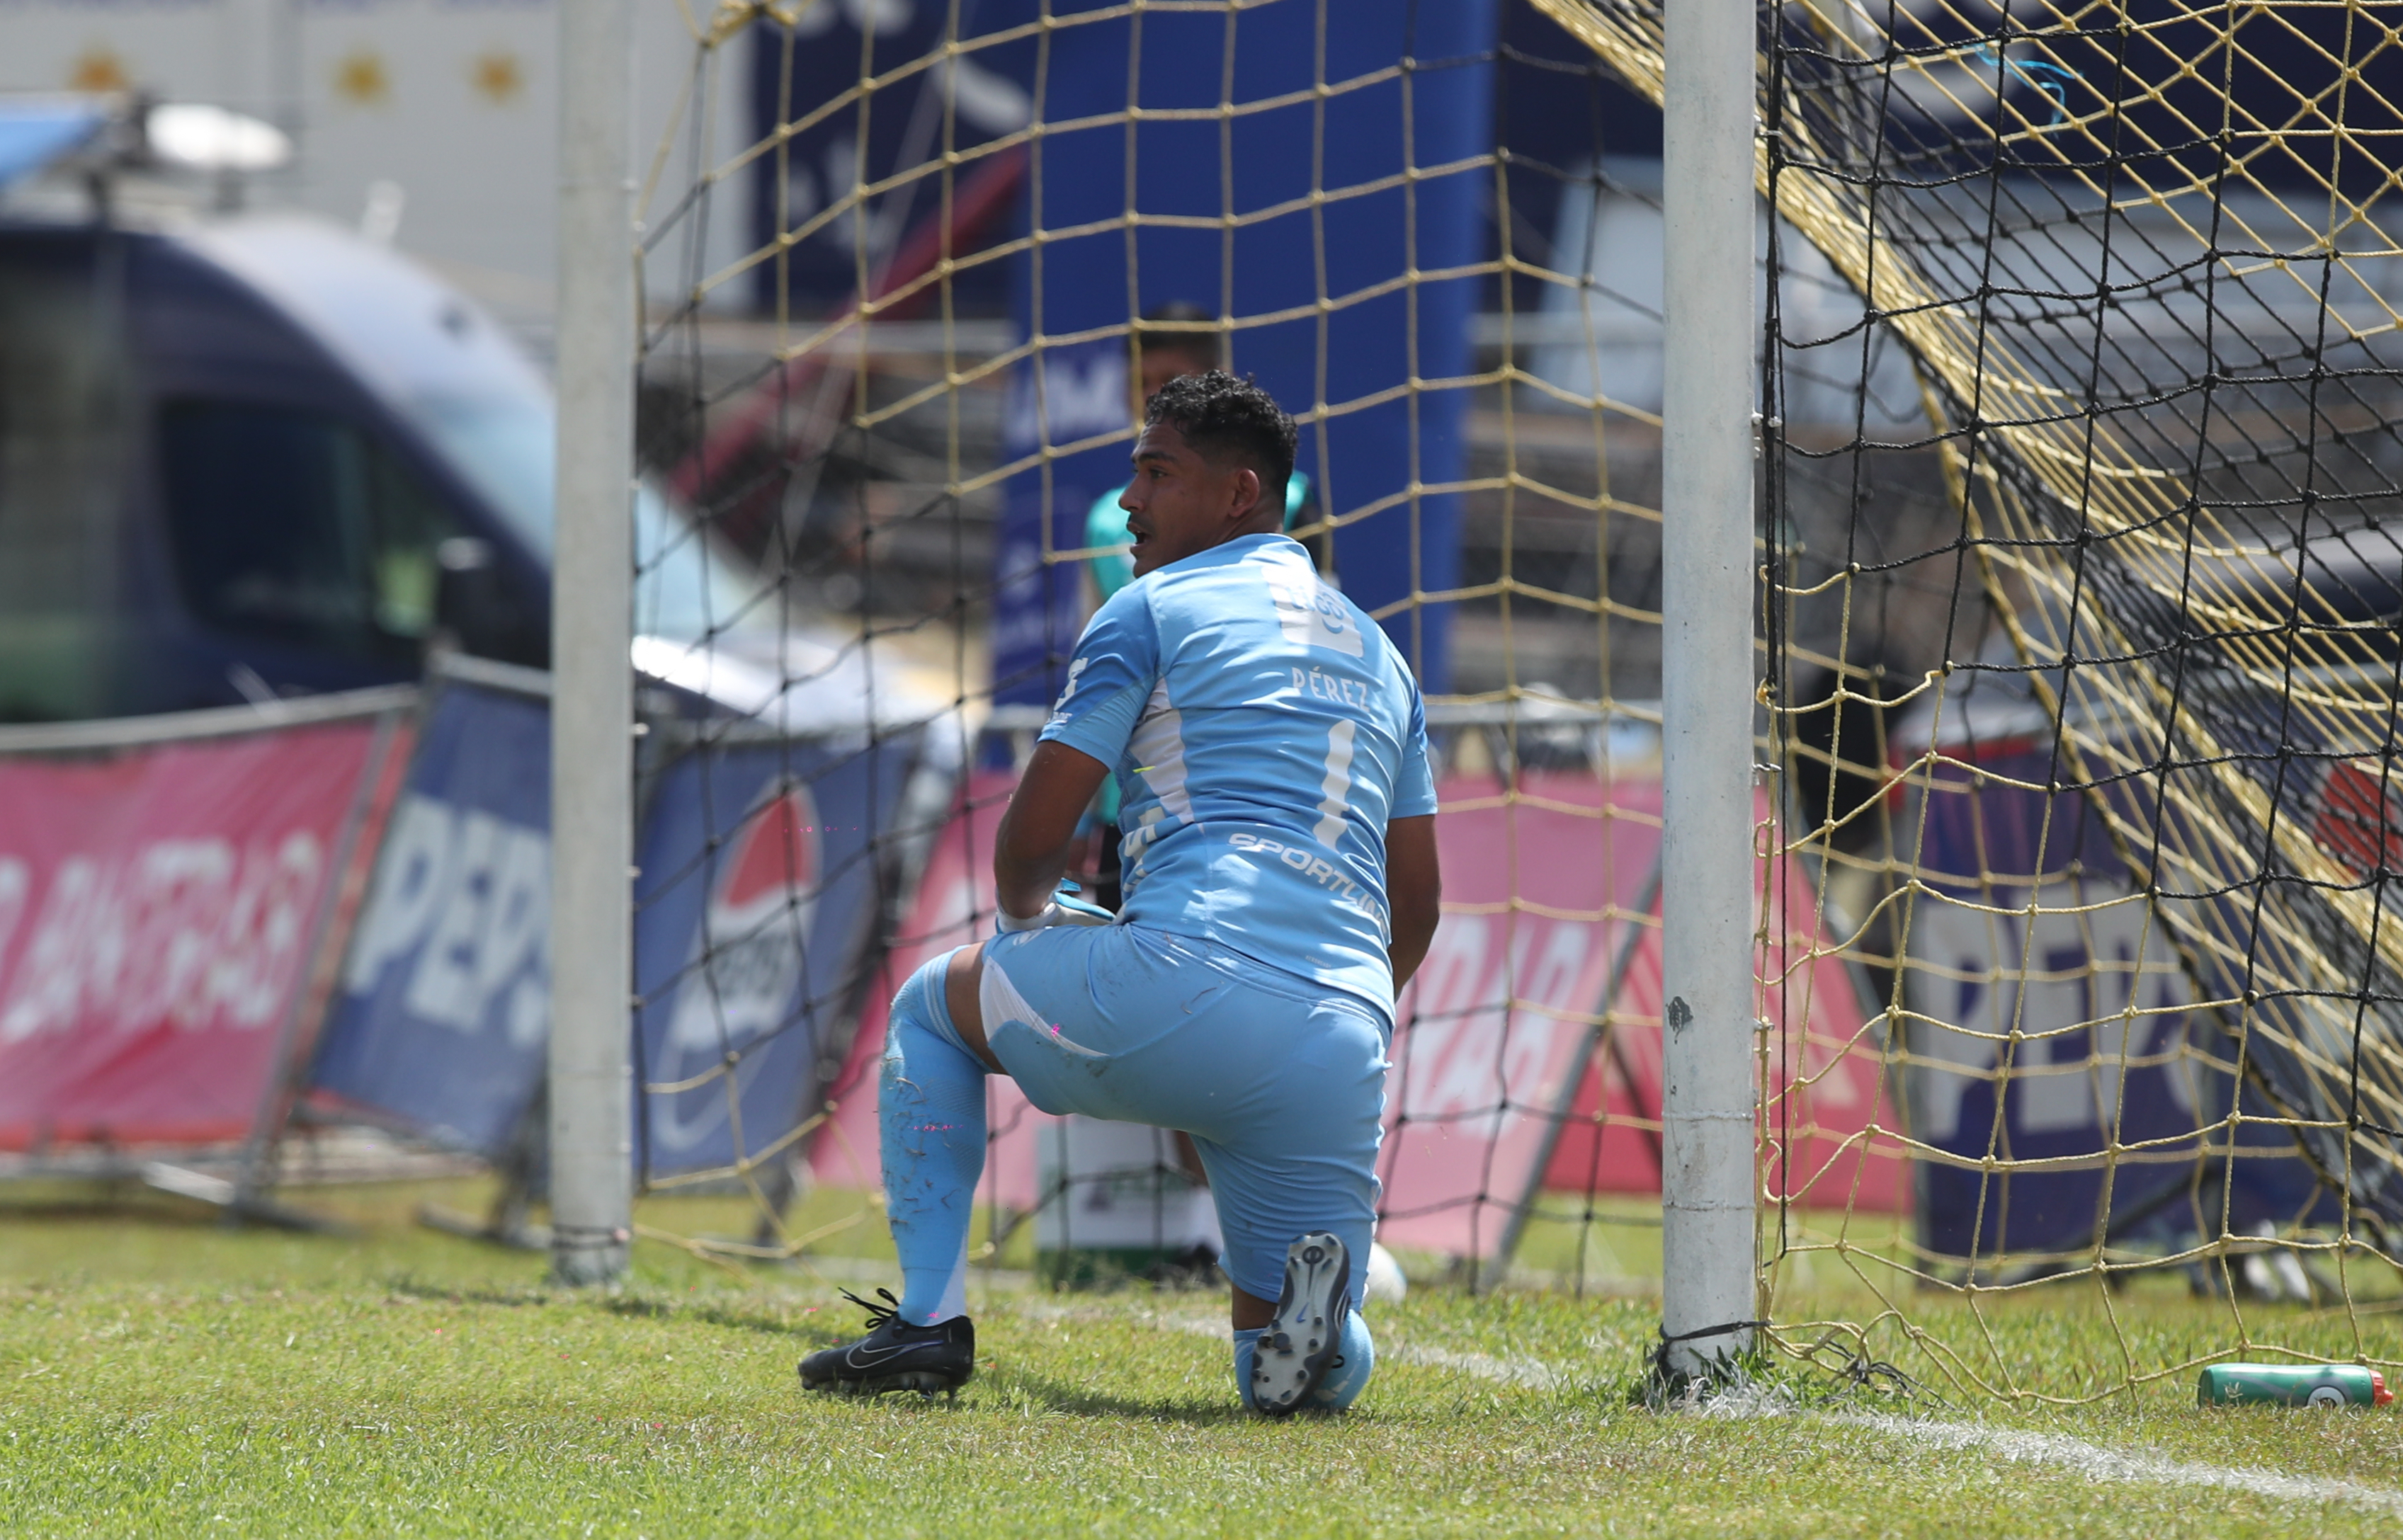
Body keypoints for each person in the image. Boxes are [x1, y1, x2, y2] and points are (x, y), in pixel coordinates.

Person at [800, 370, 1442, 1415]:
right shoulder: (1384, 654)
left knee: (931, 1000)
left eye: (1156, 472)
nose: (1130, 500)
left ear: (1238, 494)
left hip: (1180, 983)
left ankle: (923, 1320)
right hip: (1340, 1028)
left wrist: (1021, 935)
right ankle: (1326, 1326)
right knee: (1276, 1379)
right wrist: (1338, 1008)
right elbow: (1415, 906)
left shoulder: (1150, 607)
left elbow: (1032, 840)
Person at [1084, 302, 1312, 603]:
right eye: (1140, 382)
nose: (1153, 396)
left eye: (1171, 379)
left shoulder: (1285, 498)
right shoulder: (1106, 520)